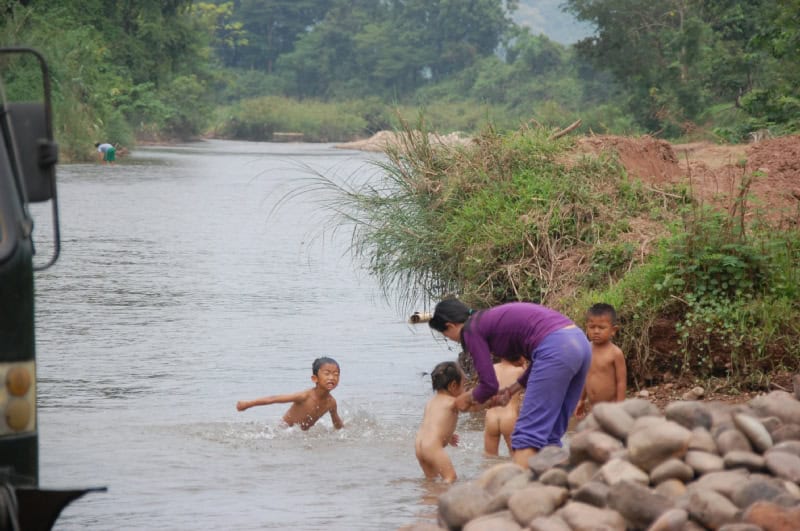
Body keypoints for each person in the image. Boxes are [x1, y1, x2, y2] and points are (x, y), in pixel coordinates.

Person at [428, 298, 591, 468]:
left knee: (526, 439)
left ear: (450, 326)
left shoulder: (471, 330)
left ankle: (519, 492)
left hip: (556, 348)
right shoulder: (486, 320)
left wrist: (466, 399)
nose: (451, 340)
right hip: (579, 342)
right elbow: (538, 360)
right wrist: (512, 390)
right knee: (550, 436)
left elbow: (488, 385)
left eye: (446, 336)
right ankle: (558, 487)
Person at [236, 357, 344, 430]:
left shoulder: (331, 402)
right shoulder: (304, 396)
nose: (332, 377)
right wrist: (248, 404)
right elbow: (273, 399)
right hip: (283, 431)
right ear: (314, 378)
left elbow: (337, 423)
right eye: (327, 373)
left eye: (336, 374)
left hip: (300, 434)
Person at [415, 361, 472, 483]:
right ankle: (445, 500)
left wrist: (448, 436)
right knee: (450, 478)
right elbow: (471, 405)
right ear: (453, 386)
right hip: (432, 447)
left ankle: (429, 499)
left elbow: (433, 425)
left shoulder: (431, 402)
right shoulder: (452, 402)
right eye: (463, 385)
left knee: (431, 480)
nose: (465, 389)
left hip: (419, 445)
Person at [575, 303, 627, 418]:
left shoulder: (615, 353)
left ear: (613, 330)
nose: (596, 331)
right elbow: (585, 377)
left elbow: (621, 383)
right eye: (592, 327)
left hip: (611, 408)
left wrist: (620, 408)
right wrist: (581, 400)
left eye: (602, 327)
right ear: (586, 328)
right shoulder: (586, 349)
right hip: (593, 408)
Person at [484, 356, 527, 457]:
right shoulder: (519, 371)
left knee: (489, 456)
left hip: (491, 417)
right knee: (516, 455)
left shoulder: (492, 368)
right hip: (509, 418)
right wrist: (524, 366)